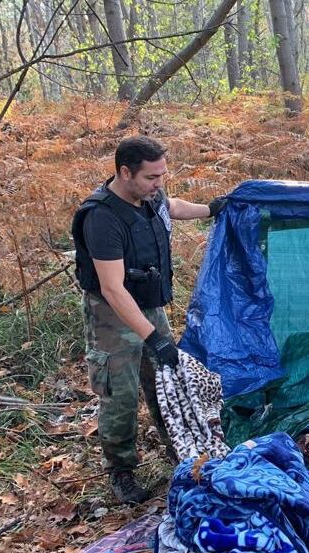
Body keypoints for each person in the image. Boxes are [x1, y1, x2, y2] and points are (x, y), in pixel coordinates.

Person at [71, 136, 226, 504]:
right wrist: (152, 337)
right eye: (151, 177)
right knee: (120, 393)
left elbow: (170, 206)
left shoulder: (149, 195)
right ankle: (121, 470)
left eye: (162, 175)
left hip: (148, 302)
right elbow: (112, 289)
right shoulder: (102, 218)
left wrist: (211, 208)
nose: (159, 183)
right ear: (125, 173)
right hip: (111, 315)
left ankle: (181, 450)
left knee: (166, 379)